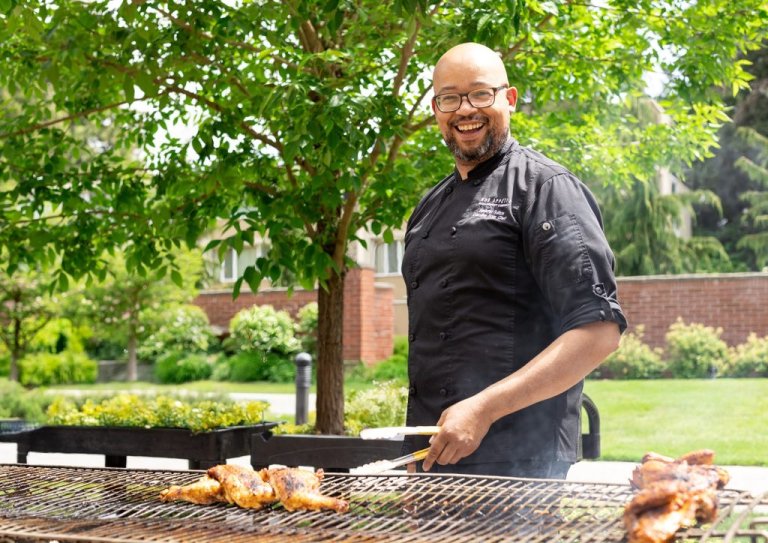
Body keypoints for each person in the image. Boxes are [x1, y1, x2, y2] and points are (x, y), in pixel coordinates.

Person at [402, 42, 627, 479]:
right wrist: (418, 460)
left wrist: (484, 408)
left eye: (481, 94)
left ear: (510, 98)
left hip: (522, 462)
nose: (465, 109)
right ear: (436, 110)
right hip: (433, 453)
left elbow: (598, 332)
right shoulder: (428, 206)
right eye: (450, 97)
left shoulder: (547, 190)